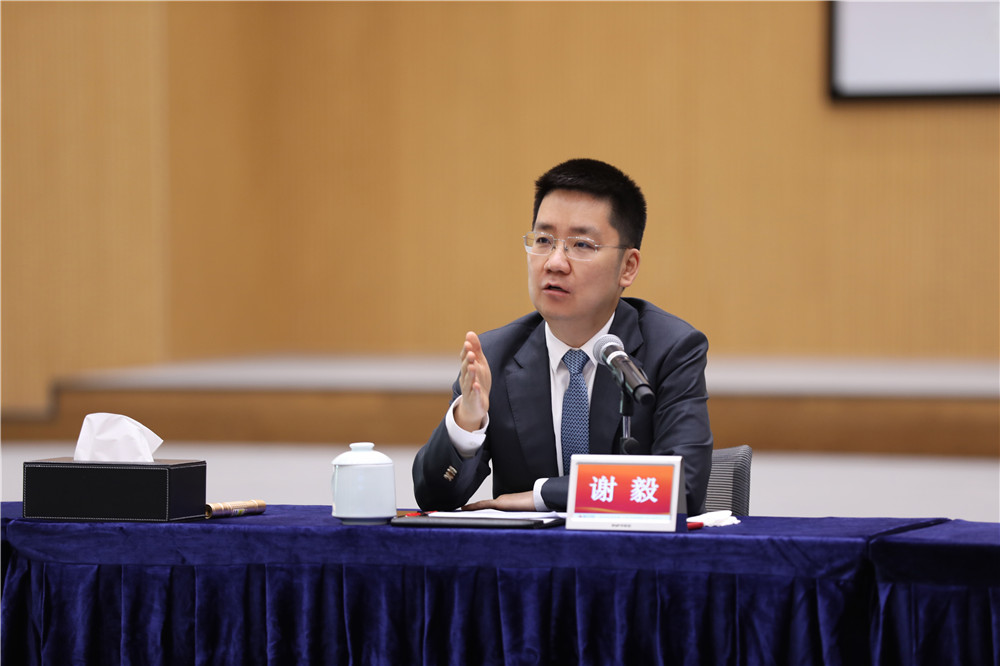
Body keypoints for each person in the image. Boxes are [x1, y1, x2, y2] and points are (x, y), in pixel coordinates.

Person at [412, 158, 713, 513]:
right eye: (543, 240)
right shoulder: (495, 356)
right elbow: (435, 501)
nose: (555, 262)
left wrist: (541, 495)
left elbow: (682, 489)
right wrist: (468, 422)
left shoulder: (671, 350)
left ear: (628, 267)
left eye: (581, 245)